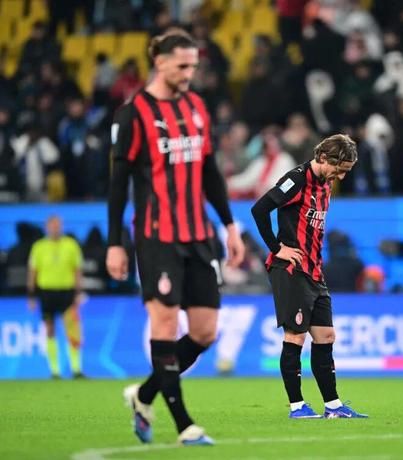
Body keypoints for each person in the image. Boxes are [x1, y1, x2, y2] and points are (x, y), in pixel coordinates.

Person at [106, 29, 245, 446]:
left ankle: (144, 395)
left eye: (193, 66)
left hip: (198, 234)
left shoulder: (196, 107)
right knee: (165, 324)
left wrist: (229, 225)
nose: (189, 73)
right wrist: (115, 242)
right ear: (160, 62)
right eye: (182, 66)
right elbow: (118, 184)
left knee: (204, 333)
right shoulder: (133, 114)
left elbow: (209, 171)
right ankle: (185, 426)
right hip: (156, 237)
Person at [250, 134, 368, 419]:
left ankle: (333, 406)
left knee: (326, 335)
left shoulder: (325, 183)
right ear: (324, 158)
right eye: (339, 169)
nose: (341, 176)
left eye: (346, 171)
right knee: (295, 336)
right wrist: (277, 248)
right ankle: (297, 406)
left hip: (315, 271)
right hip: (291, 270)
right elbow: (260, 209)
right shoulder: (296, 179)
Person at [27, 215, 83, 379]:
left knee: (72, 330)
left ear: (62, 226)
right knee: (50, 330)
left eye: (58, 225)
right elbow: (33, 272)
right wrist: (31, 295)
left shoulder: (71, 245)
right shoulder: (38, 247)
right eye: (52, 225)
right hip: (46, 292)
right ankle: (55, 371)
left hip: (66, 291)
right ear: (47, 227)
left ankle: (76, 369)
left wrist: (78, 292)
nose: (55, 228)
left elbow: (77, 270)